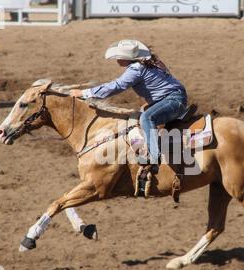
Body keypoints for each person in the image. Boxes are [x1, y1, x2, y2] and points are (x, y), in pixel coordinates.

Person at [70, 40, 188, 173]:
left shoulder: (136, 69)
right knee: (145, 114)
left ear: (127, 58)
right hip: (174, 97)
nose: (117, 59)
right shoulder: (150, 64)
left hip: (173, 100)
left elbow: (116, 86)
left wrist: (84, 93)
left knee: (146, 118)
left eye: (119, 57)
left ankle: (154, 157)